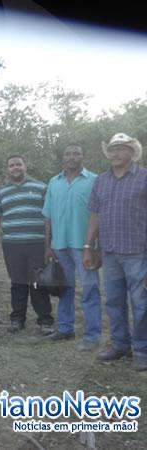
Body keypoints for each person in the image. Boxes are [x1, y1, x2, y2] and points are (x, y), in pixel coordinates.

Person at [86, 133, 147, 371]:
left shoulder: (144, 178)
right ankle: (120, 345)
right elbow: (95, 215)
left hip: (139, 252)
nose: (115, 154)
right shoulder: (101, 180)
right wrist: (89, 246)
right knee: (113, 301)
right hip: (109, 252)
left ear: (132, 152)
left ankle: (142, 349)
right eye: (112, 149)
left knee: (141, 303)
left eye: (121, 149)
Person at [43, 144, 102, 350]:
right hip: (60, 245)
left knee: (90, 289)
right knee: (64, 289)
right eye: (68, 153)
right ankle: (66, 329)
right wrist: (48, 245)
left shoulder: (94, 181)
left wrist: (96, 246)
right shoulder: (54, 182)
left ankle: (93, 335)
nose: (72, 157)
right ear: (63, 158)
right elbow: (48, 216)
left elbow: (99, 215)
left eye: (76, 153)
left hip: (84, 245)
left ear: (83, 156)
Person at [0, 155, 54, 335]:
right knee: (17, 283)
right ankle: (17, 319)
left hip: (37, 243)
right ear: (7, 169)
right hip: (12, 245)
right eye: (11, 165)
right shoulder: (1, 192)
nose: (15, 168)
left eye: (18, 164)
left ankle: (45, 320)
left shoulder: (41, 187)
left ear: (25, 166)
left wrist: (50, 244)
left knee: (37, 283)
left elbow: (49, 217)